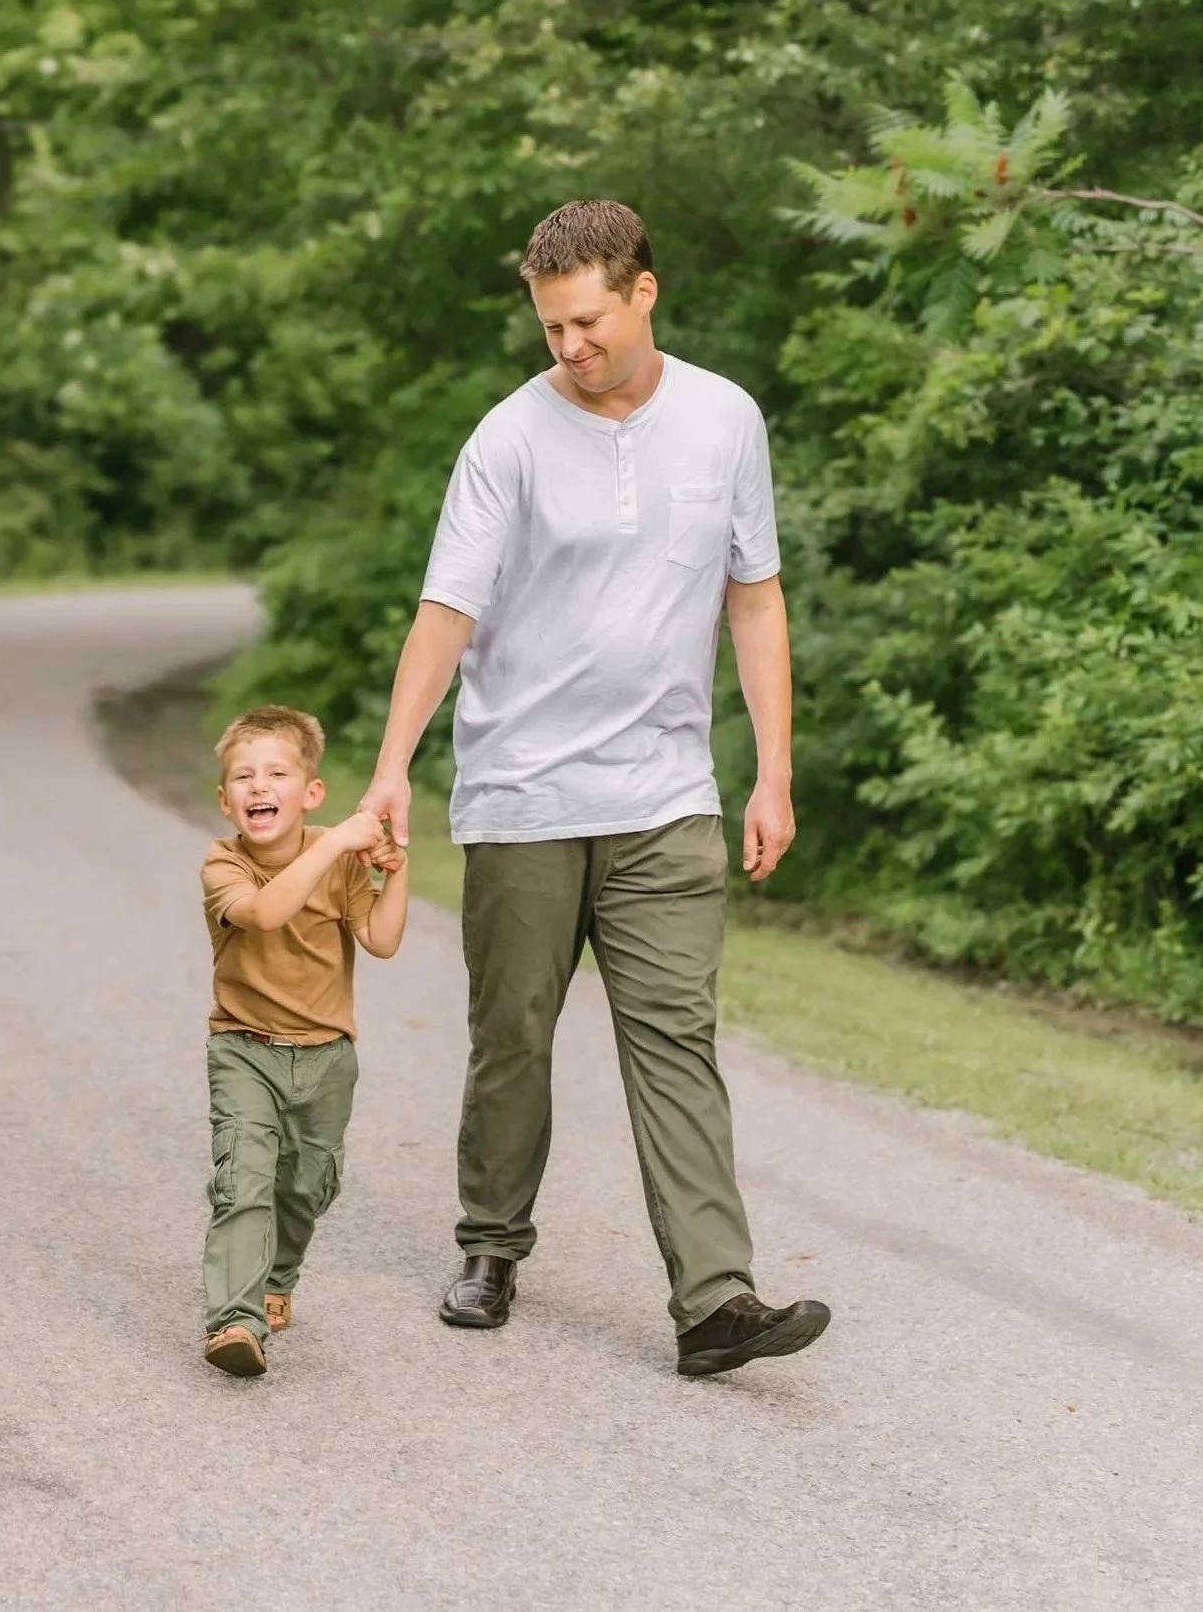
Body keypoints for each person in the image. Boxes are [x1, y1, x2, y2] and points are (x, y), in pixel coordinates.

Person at [354, 199, 831, 1377]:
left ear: (641, 293)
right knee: (511, 1034)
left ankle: (716, 1298)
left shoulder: (724, 420)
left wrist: (773, 769)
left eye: (583, 323)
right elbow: (446, 611)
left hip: (667, 792)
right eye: (549, 326)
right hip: (522, 793)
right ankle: (490, 1243)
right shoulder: (505, 441)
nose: (566, 347)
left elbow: (754, 597)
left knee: (675, 1037)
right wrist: (389, 768)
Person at [198, 706, 411, 1378]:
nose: (259, 787)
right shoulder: (221, 862)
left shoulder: (341, 862)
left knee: (306, 1186)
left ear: (310, 792)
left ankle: (277, 1278)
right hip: (245, 1049)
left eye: (277, 774)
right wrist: (332, 846)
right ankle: (234, 1319)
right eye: (243, 776)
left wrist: (394, 870)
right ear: (226, 800)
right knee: (244, 1181)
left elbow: (380, 939)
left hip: (327, 1057)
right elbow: (265, 913)